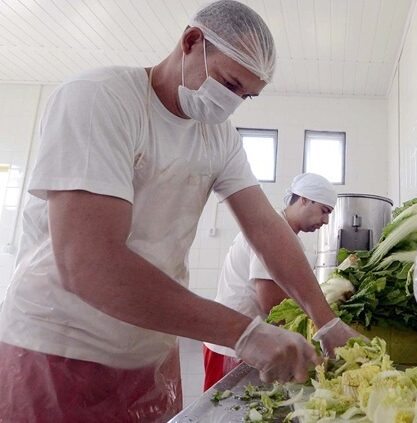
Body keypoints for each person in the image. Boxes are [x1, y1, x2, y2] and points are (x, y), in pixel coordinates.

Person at [0, 1, 360, 421]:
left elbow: (265, 227)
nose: (232, 103)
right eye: (229, 83)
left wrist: (326, 320)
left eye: (246, 96)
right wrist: (242, 333)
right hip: (59, 347)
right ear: (191, 42)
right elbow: (88, 263)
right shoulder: (101, 99)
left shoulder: (218, 136)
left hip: (151, 349)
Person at [203, 172, 336, 390]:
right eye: (324, 211)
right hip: (233, 344)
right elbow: (271, 302)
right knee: (225, 407)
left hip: (250, 339)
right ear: (303, 199)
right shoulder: (273, 229)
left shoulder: (287, 237)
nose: (326, 221)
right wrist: (311, 336)